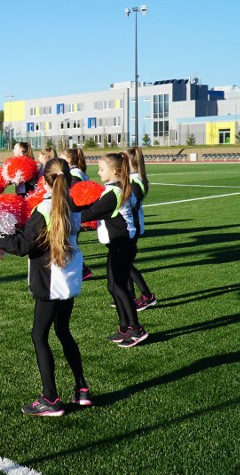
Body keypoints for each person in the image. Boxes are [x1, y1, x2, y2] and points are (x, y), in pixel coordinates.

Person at [0, 159, 91, 416]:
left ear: (44, 180)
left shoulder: (44, 208)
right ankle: (81, 389)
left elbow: (24, 245)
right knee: (63, 331)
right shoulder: (72, 206)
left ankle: (50, 399)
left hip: (50, 280)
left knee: (39, 335)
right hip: (69, 277)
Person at [78, 152, 149, 347]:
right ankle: (124, 327)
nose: (98, 172)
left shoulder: (114, 193)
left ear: (114, 171)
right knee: (113, 286)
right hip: (119, 245)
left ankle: (136, 329)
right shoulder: (117, 188)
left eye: (101, 169)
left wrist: (64, 211)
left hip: (122, 245)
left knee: (119, 286)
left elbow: (90, 213)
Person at [125, 146, 157, 310]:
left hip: (133, 225)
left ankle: (147, 295)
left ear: (131, 161)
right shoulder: (133, 178)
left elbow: (131, 204)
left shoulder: (135, 180)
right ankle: (128, 297)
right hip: (132, 224)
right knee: (125, 262)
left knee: (125, 263)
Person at [60, 147, 93, 281]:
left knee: (70, 243)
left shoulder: (74, 174)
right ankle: (82, 269)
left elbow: (74, 194)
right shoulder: (78, 172)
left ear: (68, 160)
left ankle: (82, 270)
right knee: (72, 243)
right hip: (76, 213)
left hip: (74, 213)